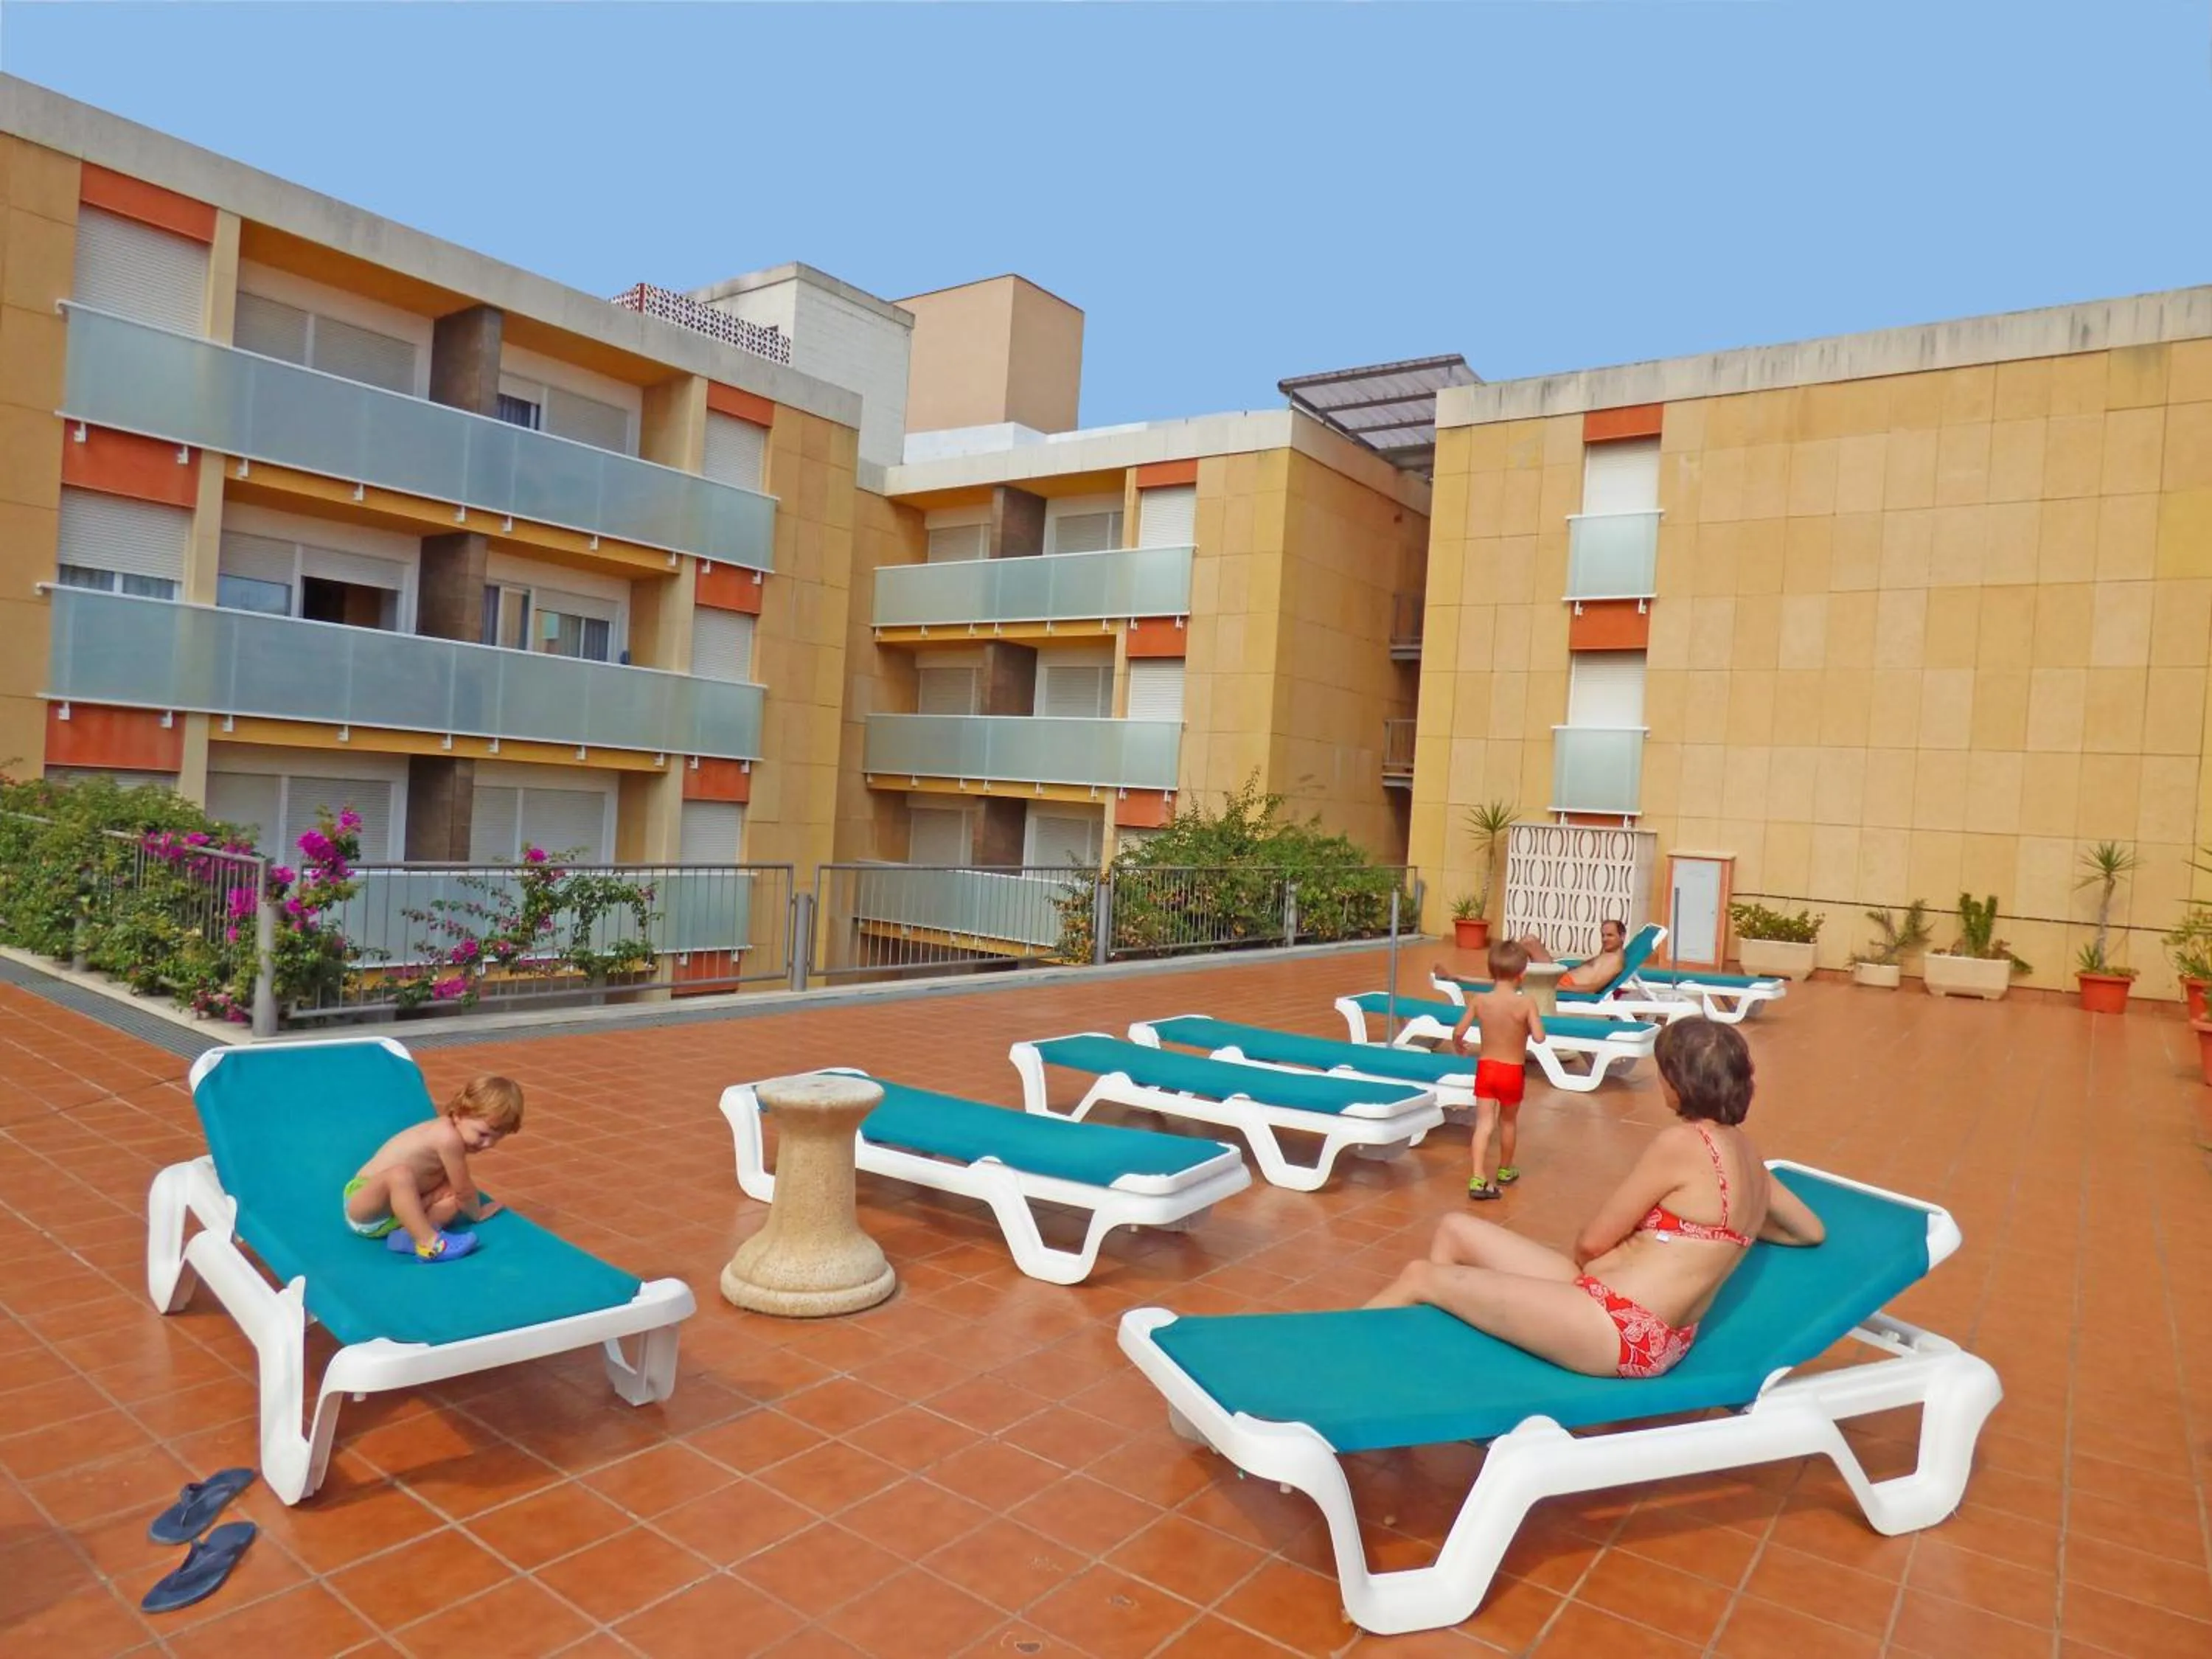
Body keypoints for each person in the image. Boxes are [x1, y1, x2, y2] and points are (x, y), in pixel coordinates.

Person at [1366, 1018, 1824, 1377]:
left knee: (1421, 1277)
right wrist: (1728, 1233)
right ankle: (1425, 1370)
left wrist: (1620, 1261)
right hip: (1644, 1325)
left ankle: (1336, 1373)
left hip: (1618, 1328)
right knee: (1455, 1230)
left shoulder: (1683, 1145)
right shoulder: (1748, 1158)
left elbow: (1591, 1243)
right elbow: (1809, 1231)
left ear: (1678, 1081)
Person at [344, 1074, 524, 1262]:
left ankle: (407, 1236)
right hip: (364, 1208)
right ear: (459, 1115)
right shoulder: (446, 1137)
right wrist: (476, 1214)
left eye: (496, 1138)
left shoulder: (454, 1132)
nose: (488, 1144)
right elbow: (464, 1190)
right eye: (483, 1134)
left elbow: (459, 1192)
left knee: (452, 1195)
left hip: (397, 1212)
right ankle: (427, 1242)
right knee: (400, 1175)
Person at [1451, 939, 1544, 1202]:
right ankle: (1505, 1169)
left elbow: (1458, 1031)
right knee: (1508, 1121)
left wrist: (1459, 1044)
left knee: (1484, 1123)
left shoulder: (1480, 1000)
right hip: (1512, 1071)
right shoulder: (1526, 1003)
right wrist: (1527, 1029)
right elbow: (1539, 1037)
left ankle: (1478, 1176)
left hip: (1487, 1068)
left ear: (1491, 972)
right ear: (1522, 974)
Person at [1520, 917, 1629, 992]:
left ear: (1622, 936)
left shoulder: (1615, 962)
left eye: (1610, 935)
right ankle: (1510, 969)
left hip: (1561, 982)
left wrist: (1558, 988)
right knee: (1530, 942)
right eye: (1603, 935)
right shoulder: (1608, 953)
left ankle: (1509, 971)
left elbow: (1593, 988)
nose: (1604, 939)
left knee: (1529, 941)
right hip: (1560, 975)